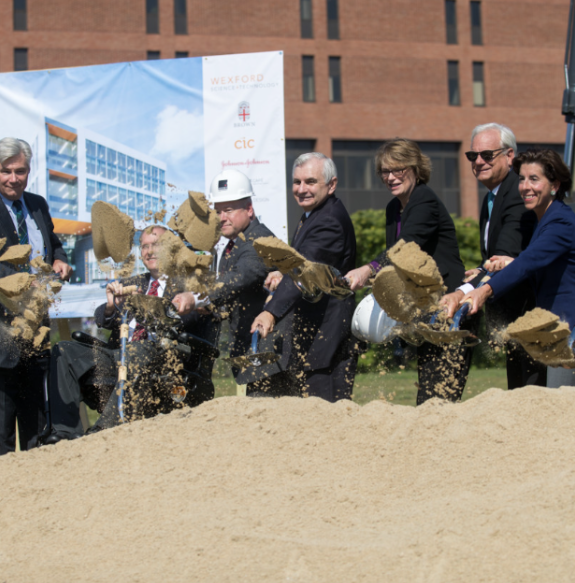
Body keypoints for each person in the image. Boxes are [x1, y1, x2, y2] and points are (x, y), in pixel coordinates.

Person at [47, 225, 218, 440]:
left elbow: (193, 317)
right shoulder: (134, 283)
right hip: (120, 355)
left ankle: (102, 432)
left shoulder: (189, 282)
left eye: (156, 245)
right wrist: (112, 306)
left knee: (139, 350)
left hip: (165, 360)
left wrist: (156, 309)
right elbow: (101, 317)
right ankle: (64, 433)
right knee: (65, 351)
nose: (149, 251)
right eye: (144, 246)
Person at [0, 137, 71, 457]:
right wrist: (25, 284)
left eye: (19, 171)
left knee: (37, 427)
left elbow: (53, 243)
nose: (13, 178)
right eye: (6, 171)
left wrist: (60, 260)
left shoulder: (37, 205)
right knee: (1, 438)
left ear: (29, 170)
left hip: (35, 334)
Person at [455, 148, 575, 387]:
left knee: (562, 413)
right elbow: (540, 261)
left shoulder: (560, 220)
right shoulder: (542, 218)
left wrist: (483, 291)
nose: (525, 186)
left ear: (555, 184)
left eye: (534, 179)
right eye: (522, 179)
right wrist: (508, 263)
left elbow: (528, 262)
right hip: (556, 331)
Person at [345, 139, 471, 402]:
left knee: (440, 396)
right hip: (425, 307)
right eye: (385, 172)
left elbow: (406, 248)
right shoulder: (394, 207)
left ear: (416, 168)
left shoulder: (424, 199)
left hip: (449, 304)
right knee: (428, 391)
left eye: (398, 170)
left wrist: (370, 269)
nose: (390, 177)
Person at [439, 123, 544, 390]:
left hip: (529, 313)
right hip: (511, 314)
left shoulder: (516, 194)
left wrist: (462, 291)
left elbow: (504, 257)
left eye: (488, 154)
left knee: (530, 396)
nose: (479, 162)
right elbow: (495, 258)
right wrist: (479, 270)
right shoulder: (492, 199)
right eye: (473, 156)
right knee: (518, 391)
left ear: (510, 156)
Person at [250, 152, 358, 402]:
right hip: (314, 336)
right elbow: (304, 261)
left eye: (310, 181)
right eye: (296, 182)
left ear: (331, 185)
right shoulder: (313, 215)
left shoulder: (328, 220)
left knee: (326, 418)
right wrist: (282, 271)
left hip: (326, 339)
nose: (301, 189)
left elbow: (305, 271)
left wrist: (270, 312)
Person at [171, 169, 275, 380]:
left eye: (228, 210)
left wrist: (196, 297)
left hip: (266, 349)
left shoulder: (259, 240)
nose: (221, 218)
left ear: (249, 209)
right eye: (217, 212)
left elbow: (239, 278)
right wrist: (209, 307)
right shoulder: (231, 246)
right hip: (250, 349)